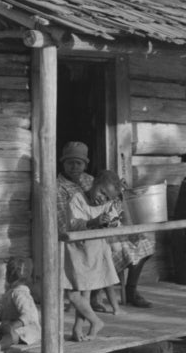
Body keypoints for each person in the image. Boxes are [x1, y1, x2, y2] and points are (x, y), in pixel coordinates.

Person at [57, 141, 154, 310]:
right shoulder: (58, 187)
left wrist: (118, 197)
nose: (74, 167)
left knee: (143, 243)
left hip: (102, 231)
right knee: (112, 251)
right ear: (62, 163)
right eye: (69, 162)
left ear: (85, 164)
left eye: (78, 163)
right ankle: (95, 294)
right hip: (78, 239)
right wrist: (94, 224)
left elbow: (109, 201)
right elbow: (62, 222)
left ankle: (131, 291)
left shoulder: (90, 180)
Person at [61, 170, 120, 341]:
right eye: (102, 192)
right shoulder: (77, 199)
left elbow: (115, 221)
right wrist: (93, 222)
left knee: (82, 294)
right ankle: (93, 322)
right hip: (78, 252)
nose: (103, 198)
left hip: (94, 251)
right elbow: (73, 224)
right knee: (73, 294)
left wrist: (113, 222)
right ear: (94, 184)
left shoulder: (108, 204)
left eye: (108, 197)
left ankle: (80, 328)